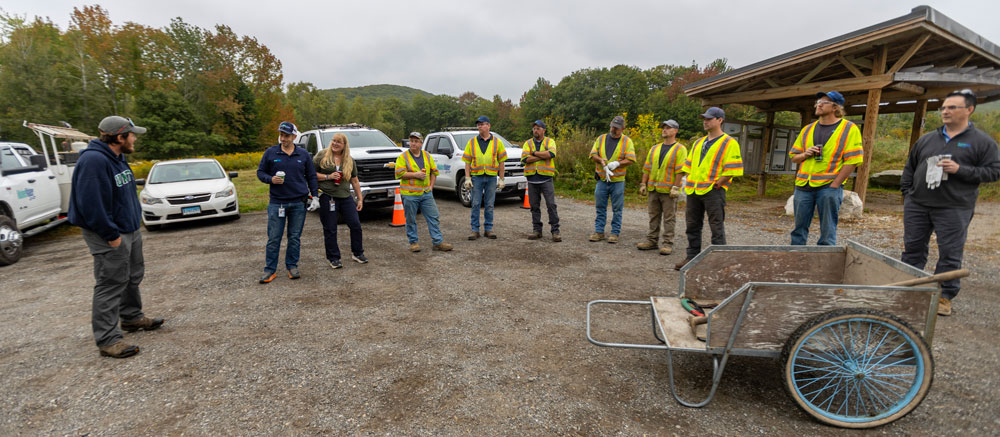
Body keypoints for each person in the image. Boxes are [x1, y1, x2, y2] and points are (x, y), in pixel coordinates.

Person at [68, 116, 163, 359]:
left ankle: (131, 317)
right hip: (109, 233)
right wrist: (111, 235)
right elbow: (90, 204)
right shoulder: (94, 161)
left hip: (128, 229)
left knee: (131, 276)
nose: (134, 139)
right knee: (110, 283)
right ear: (120, 137)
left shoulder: (118, 159)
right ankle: (108, 340)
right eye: (132, 135)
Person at [901, 89, 1000, 316]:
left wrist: (960, 170)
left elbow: (994, 172)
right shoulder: (927, 139)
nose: (945, 111)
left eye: (952, 107)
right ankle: (908, 290)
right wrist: (908, 194)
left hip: (954, 207)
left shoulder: (982, 142)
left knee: (950, 252)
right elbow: (910, 166)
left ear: (969, 110)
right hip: (918, 204)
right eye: (943, 107)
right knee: (913, 249)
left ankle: (944, 296)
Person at [788, 91, 863, 246]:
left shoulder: (849, 128)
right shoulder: (808, 129)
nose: (819, 104)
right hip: (803, 185)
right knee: (798, 229)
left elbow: (853, 160)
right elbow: (794, 157)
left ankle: (826, 260)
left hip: (829, 187)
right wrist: (805, 154)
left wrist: (835, 185)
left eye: (824, 102)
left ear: (835, 107)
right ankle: (795, 256)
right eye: (818, 101)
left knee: (828, 230)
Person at [675, 107, 743, 270]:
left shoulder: (729, 142)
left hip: (713, 191)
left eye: (709, 119)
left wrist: (718, 183)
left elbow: (733, 168)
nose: (705, 121)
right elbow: (689, 165)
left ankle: (720, 261)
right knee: (692, 225)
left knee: (716, 226)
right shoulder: (699, 142)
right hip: (693, 190)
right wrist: (683, 182)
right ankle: (692, 257)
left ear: (720, 120)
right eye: (704, 118)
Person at [256, 121, 319, 283]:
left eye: (286, 135)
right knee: (274, 238)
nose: (282, 138)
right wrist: (270, 179)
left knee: (294, 237)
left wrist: (315, 196)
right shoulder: (271, 153)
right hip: (278, 203)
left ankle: (292, 266)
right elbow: (260, 172)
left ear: (294, 136)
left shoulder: (303, 155)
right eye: (281, 135)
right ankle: (270, 270)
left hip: (299, 202)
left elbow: (311, 176)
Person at [314, 133, 366, 269]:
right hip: (327, 196)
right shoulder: (322, 156)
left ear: (344, 145)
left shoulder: (349, 160)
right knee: (330, 228)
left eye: (339, 142)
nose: (335, 144)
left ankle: (358, 253)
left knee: (355, 225)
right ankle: (334, 258)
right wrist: (328, 176)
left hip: (345, 197)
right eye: (334, 141)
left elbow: (354, 180)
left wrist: (359, 198)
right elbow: (310, 174)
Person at [395, 132, 453, 252]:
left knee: (434, 217)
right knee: (410, 219)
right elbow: (399, 174)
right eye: (411, 141)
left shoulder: (426, 155)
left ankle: (438, 242)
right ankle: (413, 242)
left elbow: (434, 172)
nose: (413, 143)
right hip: (410, 194)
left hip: (426, 193)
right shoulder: (403, 157)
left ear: (421, 143)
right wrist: (415, 174)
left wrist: (431, 186)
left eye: (416, 141)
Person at [638, 120, 688, 255]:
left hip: (668, 191)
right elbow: (647, 167)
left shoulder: (680, 149)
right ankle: (652, 241)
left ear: (675, 131)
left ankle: (667, 243)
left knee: (669, 217)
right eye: (663, 127)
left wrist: (676, 187)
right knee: (653, 215)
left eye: (668, 128)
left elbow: (680, 170)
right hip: (654, 188)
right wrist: (643, 183)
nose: (664, 130)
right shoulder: (655, 148)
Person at [589, 115, 636, 244]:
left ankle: (615, 233)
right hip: (602, 179)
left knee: (617, 208)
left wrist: (618, 163)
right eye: (612, 126)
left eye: (617, 128)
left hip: (618, 181)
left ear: (622, 129)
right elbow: (592, 154)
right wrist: (601, 160)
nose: (614, 129)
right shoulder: (601, 138)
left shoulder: (627, 141)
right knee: (600, 206)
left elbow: (631, 159)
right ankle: (599, 232)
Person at [462, 116, 507, 240]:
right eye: (478, 125)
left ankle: (488, 229)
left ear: (489, 126)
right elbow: (467, 161)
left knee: (490, 204)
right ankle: (475, 230)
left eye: (482, 124)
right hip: (477, 177)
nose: (480, 126)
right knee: (475, 203)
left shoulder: (497, 142)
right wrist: (467, 178)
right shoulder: (472, 142)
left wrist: (501, 179)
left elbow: (502, 161)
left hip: (492, 177)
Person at [521, 120, 561, 242]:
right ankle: (537, 230)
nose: (535, 130)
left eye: (538, 128)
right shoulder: (527, 143)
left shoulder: (550, 141)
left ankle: (555, 231)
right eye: (534, 128)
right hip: (532, 179)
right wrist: (542, 155)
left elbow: (551, 154)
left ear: (544, 130)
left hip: (546, 178)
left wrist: (534, 153)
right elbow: (525, 158)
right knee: (534, 206)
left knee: (551, 205)